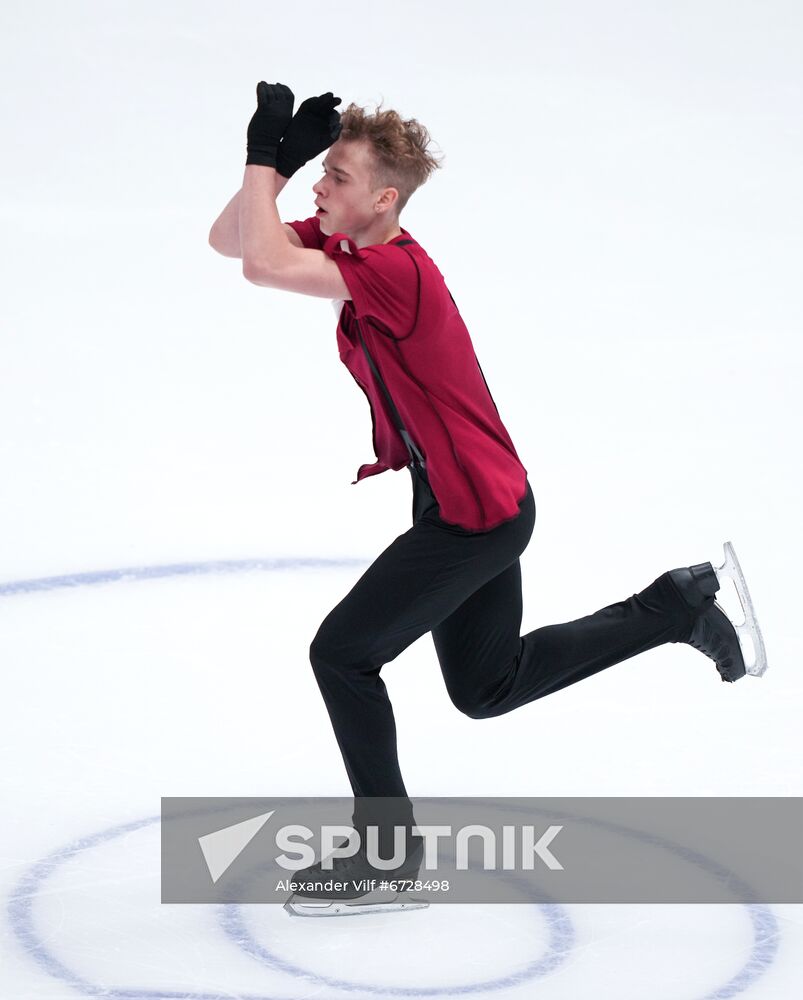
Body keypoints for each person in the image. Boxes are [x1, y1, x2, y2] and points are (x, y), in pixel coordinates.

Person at [208, 82, 767, 915]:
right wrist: (278, 169)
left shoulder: (392, 270)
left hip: (475, 517)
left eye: (337, 176)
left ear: (384, 200)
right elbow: (231, 241)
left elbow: (258, 264)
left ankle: (387, 858)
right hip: (469, 502)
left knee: (342, 655)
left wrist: (262, 157)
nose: (322, 188)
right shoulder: (354, 250)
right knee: (486, 686)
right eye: (321, 173)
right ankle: (671, 607)